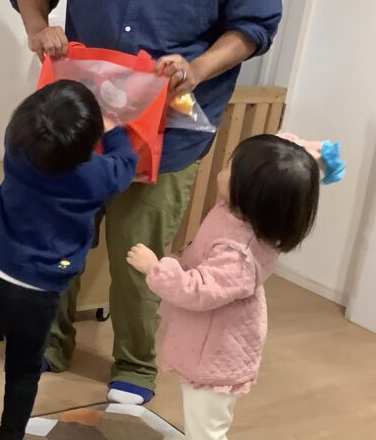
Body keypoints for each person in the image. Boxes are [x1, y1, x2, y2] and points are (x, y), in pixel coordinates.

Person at [8, 0, 282, 404]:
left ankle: (135, 364)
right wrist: (39, 25)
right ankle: (50, 343)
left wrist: (198, 68)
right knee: (60, 236)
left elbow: (255, 24)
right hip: (81, 118)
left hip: (172, 125)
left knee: (141, 251)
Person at [0, 80, 138, 439]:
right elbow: (126, 165)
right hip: (41, 290)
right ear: (89, 143)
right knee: (24, 371)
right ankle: (10, 435)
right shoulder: (94, 176)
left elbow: (23, 126)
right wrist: (114, 130)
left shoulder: (16, 151)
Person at [127, 134, 323, 439]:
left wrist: (155, 268)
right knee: (200, 419)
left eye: (230, 168)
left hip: (217, 352)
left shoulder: (238, 253)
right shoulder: (246, 212)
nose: (222, 170)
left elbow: (198, 290)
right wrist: (311, 152)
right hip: (209, 338)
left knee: (206, 428)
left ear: (251, 191)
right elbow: (279, 154)